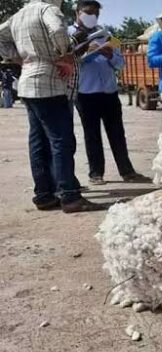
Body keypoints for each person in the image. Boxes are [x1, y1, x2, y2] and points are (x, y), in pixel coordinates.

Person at [0, 0, 103, 213]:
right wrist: (65, 54)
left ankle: (44, 194)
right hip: (49, 83)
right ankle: (70, 196)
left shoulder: (19, 15)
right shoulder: (48, 10)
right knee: (61, 141)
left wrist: (17, 58)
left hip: (28, 82)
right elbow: (57, 30)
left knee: (37, 142)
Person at [69, 1, 149, 185]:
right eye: (88, 12)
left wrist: (110, 55)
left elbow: (121, 64)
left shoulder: (107, 35)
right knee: (92, 134)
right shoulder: (68, 34)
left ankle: (127, 171)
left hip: (109, 92)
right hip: (85, 93)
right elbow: (68, 61)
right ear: (77, 13)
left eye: (96, 14)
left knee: (117, 133)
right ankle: (96, 174)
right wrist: (84, 51)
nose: (92, 17)